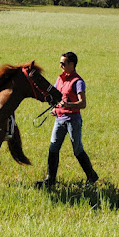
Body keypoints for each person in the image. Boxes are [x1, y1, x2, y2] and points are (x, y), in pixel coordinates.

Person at [35, 52, 98, 188]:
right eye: (60, 63)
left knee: (77, 150)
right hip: (60, 119)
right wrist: (55, 108)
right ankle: (50, 180)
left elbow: (83, 104)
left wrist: (67, 105)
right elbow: (57, 97)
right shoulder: (60, 79)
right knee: (53, 148)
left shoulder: (78, 82)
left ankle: (92, 176)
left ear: (72, 64)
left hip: (73, 120)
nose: (60, 66)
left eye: (63, 63)